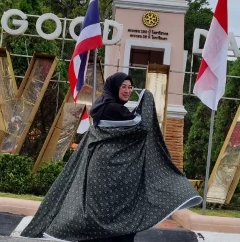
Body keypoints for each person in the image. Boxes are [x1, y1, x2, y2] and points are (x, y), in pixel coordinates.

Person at [21, 72, 202, 242]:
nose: (127, 91)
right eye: (123, 86)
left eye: (130, 87)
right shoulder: (114, 109)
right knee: (116, 215)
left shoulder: (102, 106)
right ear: (114, 87)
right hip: (109, 175)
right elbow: (143, 127)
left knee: (96, 213)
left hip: (100, 172)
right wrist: (147, 98)